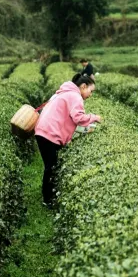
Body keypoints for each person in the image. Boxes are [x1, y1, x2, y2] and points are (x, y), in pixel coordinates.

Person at [34, 72, 101, 206]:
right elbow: (78, 118)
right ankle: (48, 200)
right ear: (83, 86)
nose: (90, 94)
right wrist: (94, 117)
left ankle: (49, 195)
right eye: (90, 91)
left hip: (43, 131)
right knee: (51, 167)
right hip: (49, 133)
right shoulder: (75, 96)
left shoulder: (65, 92)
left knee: (51, 165)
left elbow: (70, 119)